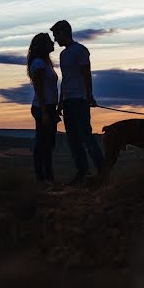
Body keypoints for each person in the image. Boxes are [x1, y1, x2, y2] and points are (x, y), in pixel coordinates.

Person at [50, 19, 104, 184]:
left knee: (86, 137)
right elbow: (65, 80)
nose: (55, 39)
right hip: (68, 102)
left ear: (64, 33)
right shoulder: (63, 54)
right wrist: (61, 102)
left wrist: (89, 96)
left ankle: (102, 172)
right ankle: (83, 173)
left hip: (80, 100)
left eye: (56, 35)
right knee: (73, 140)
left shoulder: (80, 50)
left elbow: (87, 74)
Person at [27, 32, 59, 183]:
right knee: (43, 143)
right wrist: (45, 112)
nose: (53, 43)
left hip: (49, 107)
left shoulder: (45, 63)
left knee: (48, 143)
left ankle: (47, 175)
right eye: (49, 42)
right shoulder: (38, 64)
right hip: (42, 107)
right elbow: (39, 90)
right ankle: (42, 176)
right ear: (43, 45)